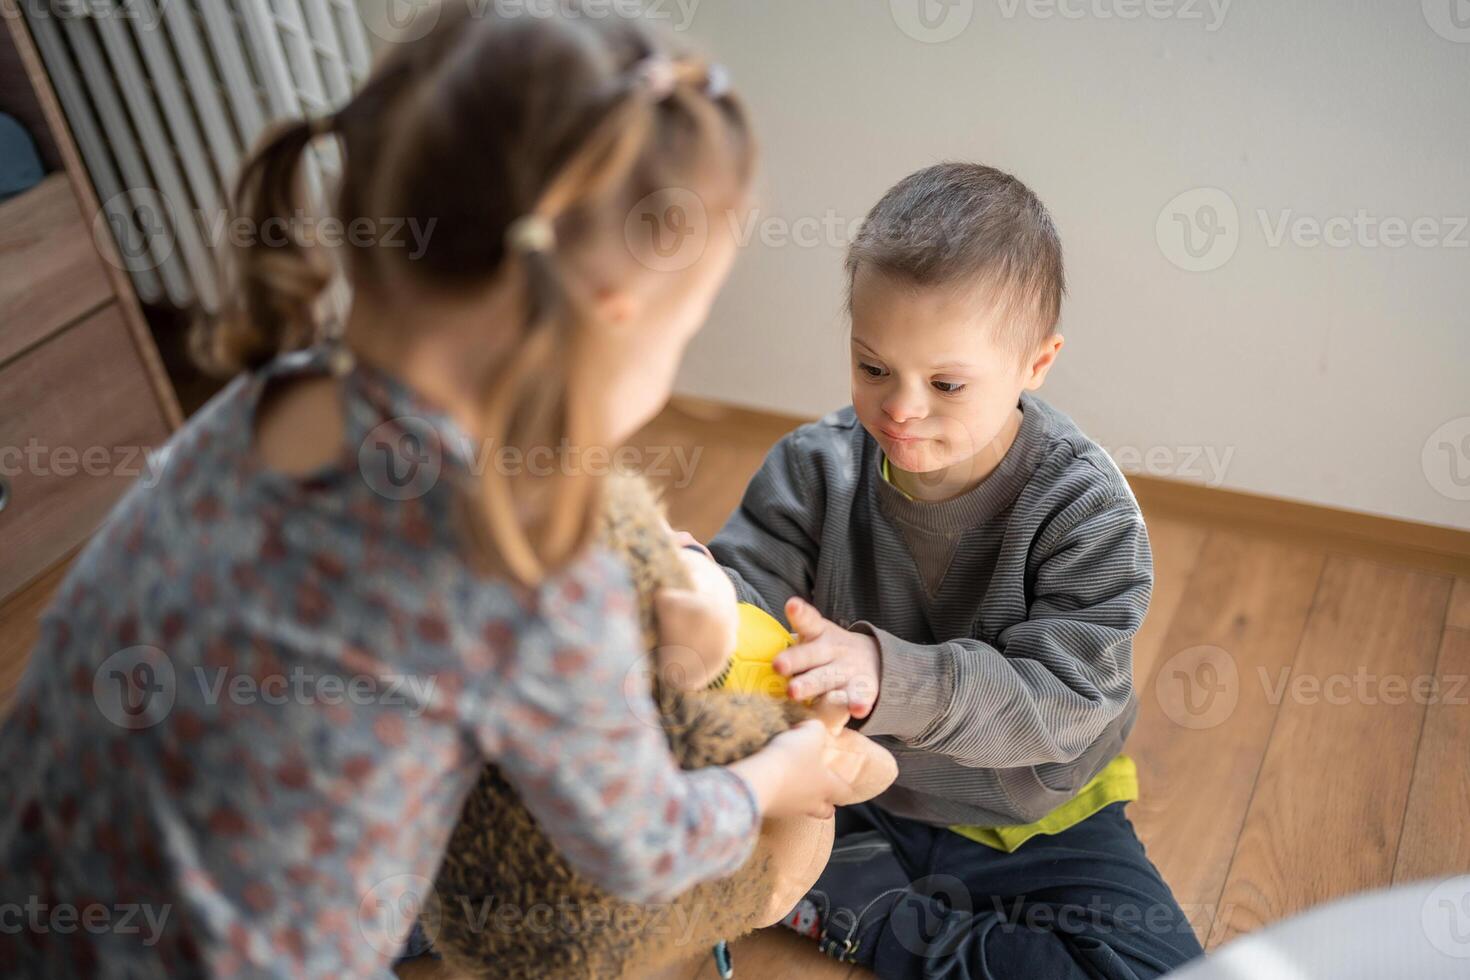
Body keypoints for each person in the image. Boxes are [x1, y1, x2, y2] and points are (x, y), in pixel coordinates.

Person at [0, 6, 853, 976]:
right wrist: (780, 774)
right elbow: (638, 844)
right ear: (615, 311)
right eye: (685, 326)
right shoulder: (527, 561)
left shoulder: (265, 400)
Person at [683, 162, 1205, 978]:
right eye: (873, 367)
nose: (901, 408)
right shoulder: (818, 468)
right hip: (849, 789)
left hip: (1031, 815)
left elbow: (1062, 702)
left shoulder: (1085, 509)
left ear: (1037, 363)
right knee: (644, 825)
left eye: (947, 383)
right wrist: (698, 595)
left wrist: (889, 675)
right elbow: (747, 593)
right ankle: (842, 884)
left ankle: (877, 918)